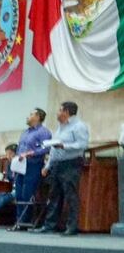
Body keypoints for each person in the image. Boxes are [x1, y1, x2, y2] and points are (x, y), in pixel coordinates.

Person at [33, 101, 90, 236]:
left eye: (59, 110)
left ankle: (71, 226)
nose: (57, 113)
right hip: (57, 164)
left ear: (66, 112)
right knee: (54, 195)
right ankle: (49, 225)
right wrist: (48, 165)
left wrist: (65, 146)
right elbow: (54, 148)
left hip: (71, 163)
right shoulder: (60, 128)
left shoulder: (79, 126)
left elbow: (82, 145)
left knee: (70, 195)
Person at [0, 144, 21, 221]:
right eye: (7, 154)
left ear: (15, 154)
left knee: (2, 197)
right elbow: (8, 178)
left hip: (19, 189)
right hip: (10, 187)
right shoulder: (9, 164)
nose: (8, 156)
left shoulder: (21, 163)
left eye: (10, 154)